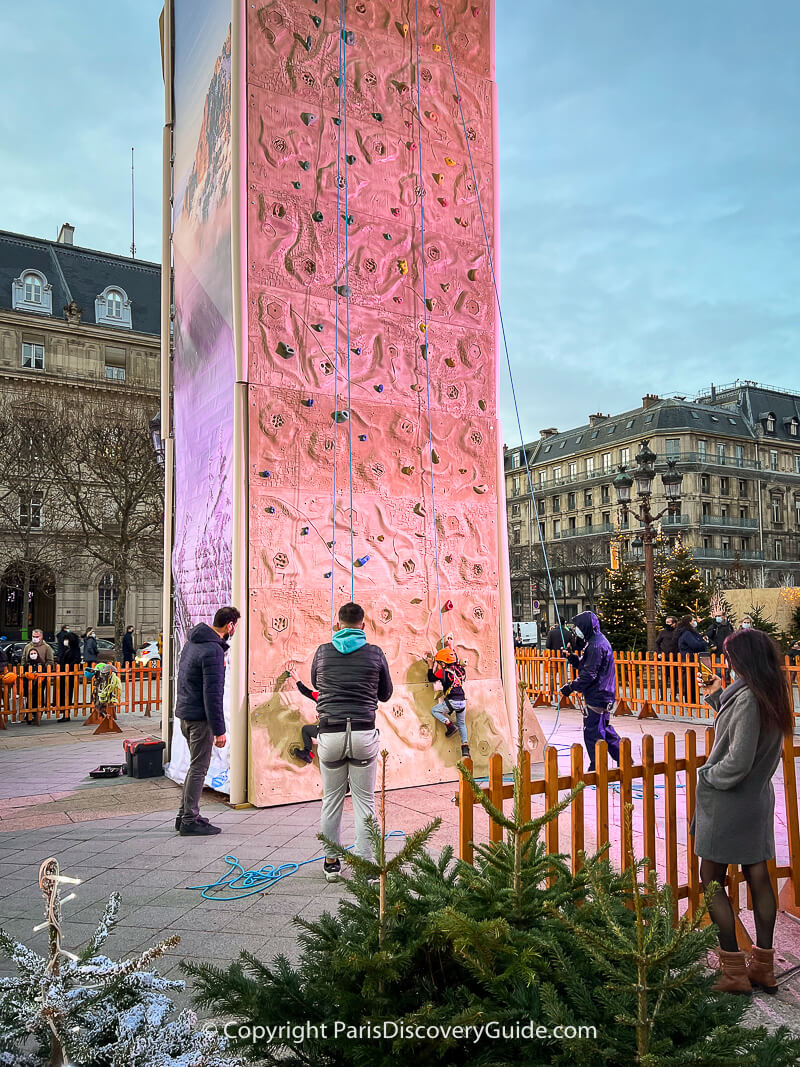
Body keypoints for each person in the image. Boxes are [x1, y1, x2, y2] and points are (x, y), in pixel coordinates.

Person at [691, 628, 793, 994]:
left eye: (730, 655)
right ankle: (762, 966)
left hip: (730, 804)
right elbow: (745, 734)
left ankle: (733, 971)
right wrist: (718, 697)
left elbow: (736, 761)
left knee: (712, 880)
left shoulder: (749, 698)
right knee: (759, 877)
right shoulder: (767, 693)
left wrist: (706, 775)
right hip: (755, 801)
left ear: (743, 659)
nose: (726, 661)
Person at [311, 601, 392, 881]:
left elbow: (316, 684)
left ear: (338, 624)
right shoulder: (375, 653)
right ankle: (368, 866)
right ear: (363, 625)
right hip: (362, 733)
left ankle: (332, 862)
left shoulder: (322, 652)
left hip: (330, 733)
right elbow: (385, 694)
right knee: (365, 802)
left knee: (331, 800)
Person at [174, 605, 240, 836]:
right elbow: (212, 694)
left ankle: (184, 816)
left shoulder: (192, 642)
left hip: (185, 713)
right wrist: (219, 730)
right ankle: (189, 819)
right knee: (199, 769)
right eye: (235, 627)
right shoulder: (213, 650)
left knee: (195, 767)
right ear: (230, 626)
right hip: (199, 719)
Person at [560, 611, 620, 773]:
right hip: (604, 691)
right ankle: (623, 757)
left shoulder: (595, 645)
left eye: (578, 627)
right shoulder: (596, 642)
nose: (576, 630)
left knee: (593, 731)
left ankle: (598, 766)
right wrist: (574, 659)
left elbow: (589, 674)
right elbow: (590, 666)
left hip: (598, 693)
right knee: (604, 727)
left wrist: (571, 686)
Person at [425, 646, 469, 758]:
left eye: (439, 663)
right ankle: (465, 748)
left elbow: (431, 678)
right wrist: (450, 645)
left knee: (434, 710)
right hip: (462, 701)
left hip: (452, 701)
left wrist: (430, 666)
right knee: (462, 724)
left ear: (444, 664)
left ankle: (449, 725)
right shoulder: (460, 670)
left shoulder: (442, 672)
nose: (438, 665)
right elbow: (455, 659)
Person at [21, 630, 54, 724]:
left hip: (41, 675)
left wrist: (43, 671)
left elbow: (50, 661)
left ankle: (37, 713)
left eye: (37, 636)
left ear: (41, 637)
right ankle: (28, 713)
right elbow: (23, 659)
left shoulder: (46, 647)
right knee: (28, 694)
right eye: (33, 636)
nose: (35, 638)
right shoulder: (28, 646)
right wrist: (24, 670)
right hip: (29, 675)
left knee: (38, 694)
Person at [677, 615, 709, 707]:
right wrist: (704, 642)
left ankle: (693, 700)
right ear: (689, 622)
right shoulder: (687, 633)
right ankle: (690, 700)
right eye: (693, 620)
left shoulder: (691, 633)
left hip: (692, 659)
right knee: (689, 681)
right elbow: (695, 645)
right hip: (690, 659)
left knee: (693, 681)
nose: (695, 622)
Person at [289, 668, 319, 764]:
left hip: (329, 733)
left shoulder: (320, 696)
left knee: (306, 730)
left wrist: (297, 679)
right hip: (348, 735)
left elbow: (305, 691)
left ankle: (307, 752)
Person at [56, 630, 82, 722]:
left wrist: (68, 667)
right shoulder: (66, 649)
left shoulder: (75, 650)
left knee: (67, 694)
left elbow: (76, 660)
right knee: (62, 694)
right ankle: (64, 713)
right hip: (63, 674)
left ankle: (66, 714)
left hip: (70, 675)